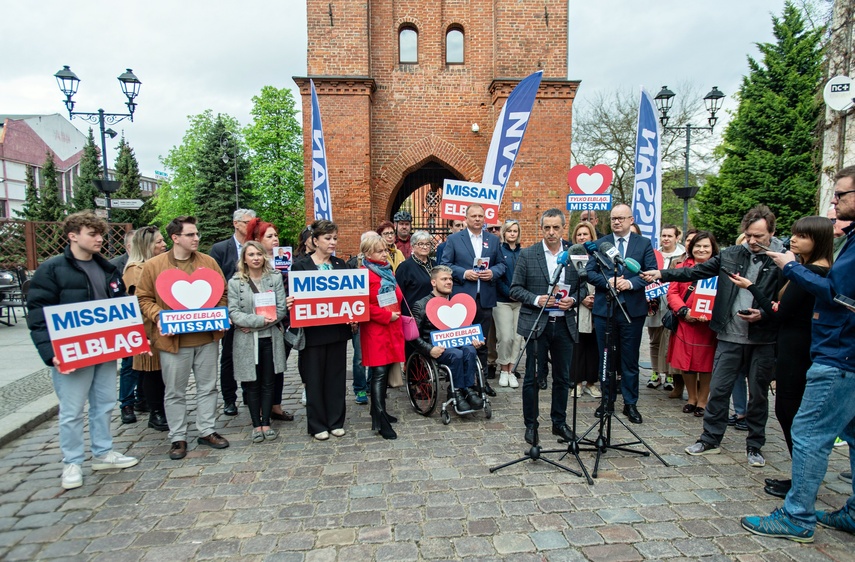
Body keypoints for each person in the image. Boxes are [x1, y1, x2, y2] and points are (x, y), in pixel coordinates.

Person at [740, 166, 855, 542]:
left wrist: (789, 266)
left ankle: (797, 516)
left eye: (840, 194)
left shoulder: (838, 254)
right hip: (842, 355)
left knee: (807, 432)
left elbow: (835, 292)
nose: (834, 202)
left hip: (838, 356)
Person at [642, 205, 785, 467]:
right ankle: (710, 439)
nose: (753, 242)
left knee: (759, 395)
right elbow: (694, 272)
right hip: (730, 335)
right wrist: (662, 273)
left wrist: (764, 315)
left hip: (763, 338)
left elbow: (785, 302)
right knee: (719, 391)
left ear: (772, 233)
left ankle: (755, 445)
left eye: (759, 237)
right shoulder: (731, 254)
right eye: (749, 235)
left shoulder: (783, 259)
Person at [28, 211, 139, 489]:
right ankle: (72, 462)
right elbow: (38, 314)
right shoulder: (52, 269)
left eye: (100, 233)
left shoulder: (107, 268)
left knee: (104, 404)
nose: (99, 238)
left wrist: (133, 341)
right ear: (73, 236)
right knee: (72, 410)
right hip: (71, 353)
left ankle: (103, 452)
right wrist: (50, 352)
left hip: (104, 350)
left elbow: (121, 309)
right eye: (93, 234)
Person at [729, 217, 832, 498]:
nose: (793, 240)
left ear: (817, 240)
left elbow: (779, 314)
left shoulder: (810, 272)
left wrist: (751, 287)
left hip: (796, 350)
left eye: (801, 236)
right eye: (794, 234)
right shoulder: (812, 270)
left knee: (789, 414)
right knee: (793, 415)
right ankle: (801, 478)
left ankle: (802, 481)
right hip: (796, 345)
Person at [136, 216, 230, 460]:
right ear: (175, 238)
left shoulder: (208, 263)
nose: (196, 238)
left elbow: (222, 293)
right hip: (172, 342)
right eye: (190, 235)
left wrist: (220, 314)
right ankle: (178, 436)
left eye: (197, 234)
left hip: (207, 338)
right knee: (175, 391)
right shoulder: (154, 266)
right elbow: (143, 298)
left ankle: (207, 430)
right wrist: (160, 316)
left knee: (208, 387)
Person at [510, 208, 583, 446]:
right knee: (532, 377)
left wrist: (574, 299)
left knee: (562, 377)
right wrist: (536, 299)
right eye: (547, 228)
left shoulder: (575, 254)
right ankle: (531, 425)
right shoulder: (528, 254)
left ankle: (559, 423)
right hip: (536, 323)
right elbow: (515, 288)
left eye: (556, 227)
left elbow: (583, 286)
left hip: (564, 323)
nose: (551, 232)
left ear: (564, 228)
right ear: (541, 229)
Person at [586, 204, 657, 424]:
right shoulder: (600, 244)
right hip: (605, 310)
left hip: (632, 310)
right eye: (614, 218)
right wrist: (608, 282)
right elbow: (589, 272)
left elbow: (651, 273)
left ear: (631, 220)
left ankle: (630, 403)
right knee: (606, 358)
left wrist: (630, 283)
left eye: (621, 218)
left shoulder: (643, 244)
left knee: (630, 359)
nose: (617, 222)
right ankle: (606, 401)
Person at [287, 220, 352, 441]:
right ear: (315, 241)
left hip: (337, 331)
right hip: (313, 333)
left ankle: (336, 421)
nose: (333, 242)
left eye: (335, 238)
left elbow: (350, 296)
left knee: (336, 377)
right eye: (328, 238)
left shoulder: (341, 265)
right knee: (314, 378)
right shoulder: (300, 266)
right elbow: (295, 298)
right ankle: (317, 424)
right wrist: (291, 303)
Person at [439, 203, 506, 397]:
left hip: (484, 298)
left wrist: (492, 272)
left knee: (482, 342)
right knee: (462, 343)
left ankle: (482, 382)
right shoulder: (454, 239)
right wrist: (463, 273)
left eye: (480, 216)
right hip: (462, 299)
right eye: (473, 216)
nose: (477, 219)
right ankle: (461, 383)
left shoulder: (492, 240)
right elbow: (445, 264)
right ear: (466, 218)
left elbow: (502, 264)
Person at [228, 241, 288, 443]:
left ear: (264, 256)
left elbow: (281, 310)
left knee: (269, 382)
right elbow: (234, 313)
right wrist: (260, 321)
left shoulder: (275, 278)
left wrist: (255, 324)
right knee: (251, 383)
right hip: (246, 340)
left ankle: (266, 422)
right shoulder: (236, 282)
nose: (255, 258)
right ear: (244, 258)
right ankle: (256, 424)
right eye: (251, 254)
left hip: (270, 338)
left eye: (259, 254)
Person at [411, 266, 485, 412]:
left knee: (470, 350)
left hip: (460, 344)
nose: (449, 282)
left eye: (450, 279)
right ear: (433, 282)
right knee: (456, 354)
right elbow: (413, 336)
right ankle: (455, 391)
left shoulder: (459, 304)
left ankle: (468, 389)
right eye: (444, 279)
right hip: (437, 349)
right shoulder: (421, 305)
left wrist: (476, 339)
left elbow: (468, 328)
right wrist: (429, 349)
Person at [665, 231, 719, 418]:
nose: (701, 249)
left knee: (705, 364)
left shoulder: (720, 269)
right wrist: (683, 311)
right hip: (686, 321)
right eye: (698, 246)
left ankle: (703, 400)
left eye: (706, 246)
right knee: (686, 364)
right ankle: (691, 398)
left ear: (713, 249)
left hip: (708, 326)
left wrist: (711, 313)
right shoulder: (681, 267)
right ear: (691, 247)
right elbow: (672, 293)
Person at [209, 208, 257, 417]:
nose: (251, 226)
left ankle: (249, 392)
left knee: (250, 354)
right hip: (229, 310)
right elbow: (214, 282)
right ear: (236, 224)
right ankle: (229, 398)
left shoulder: (255, 247)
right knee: (228, 356)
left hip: (254, 309)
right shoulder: (220, 249)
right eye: (247, 222)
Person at [245, 217, 294, 422]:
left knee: (277, 366)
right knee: (257, 368)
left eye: (276, 235)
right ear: (257, 239)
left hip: (282, 323)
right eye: (270, 236)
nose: (275, 239)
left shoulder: (284, 261)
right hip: (256, 324)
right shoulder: (247, 266)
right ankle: (257, 408)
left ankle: (276, 405)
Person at [122, 226, 169, 431]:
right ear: (146, 245)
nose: (164, 244)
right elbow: (136, 303)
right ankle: (156, 412)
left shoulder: (160, 265)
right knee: (152, 372)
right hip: (146, 328)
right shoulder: (135, 269)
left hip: (163, 326)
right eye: (158, 242)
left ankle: (161, 408)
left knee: (162, 373)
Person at [359, 234, 405, 439]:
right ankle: (379, 420)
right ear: (368, 253)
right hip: (376, 329)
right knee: (378, 373)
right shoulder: (363, 273)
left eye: (385, 250)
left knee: (384, 372)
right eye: (380, 251)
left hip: (391, 326)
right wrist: (386, 315)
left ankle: (380, 411)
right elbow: (362, 306)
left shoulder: (386, 270)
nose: (385, 254)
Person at [646, 224, 686, 396]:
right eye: (663, 235)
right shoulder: (654, 255)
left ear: (677, 237)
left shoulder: (682, 256)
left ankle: (670, 374)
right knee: (654, 340)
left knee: (670, 342)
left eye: (670, 236)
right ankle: (655, 372)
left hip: (673, 306)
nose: (666, 239)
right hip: (655, 303)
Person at [111, 229, 142, 424]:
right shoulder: (115, 266)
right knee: (129, 364)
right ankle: (127, 403)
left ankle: (143, 398)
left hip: (146, 319)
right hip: (128, 321)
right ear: (129, 246)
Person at [571, 221, 600, 398]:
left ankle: (591, 382)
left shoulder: (598, 256)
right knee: (578, 346)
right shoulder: (570, 257)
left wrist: (596, 299)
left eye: (585, 235)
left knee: (593, 347)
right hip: (578, 306)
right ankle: (577, 382)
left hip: (597, 305)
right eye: (579, 235)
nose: (582, 237)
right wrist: (581, 298)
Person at [495, 219, 523, 388]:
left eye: (515, 231)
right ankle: (503, 369)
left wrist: (519, 293)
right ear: (504, 233)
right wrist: (509, 293)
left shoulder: (523, 253)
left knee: (518, 338)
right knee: (505, 337)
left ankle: (512, 370)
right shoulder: (498, 252)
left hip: (520, 302)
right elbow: (497, 278)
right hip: (502, 301)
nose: (512, 233)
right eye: (509, 231)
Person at [395, 230, 435, 315]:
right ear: (412, 246)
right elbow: (399, 295)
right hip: (414, 314)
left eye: (427, 244)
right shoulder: (405, 267)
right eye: (421, 244)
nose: (425, 247)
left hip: (434, 311)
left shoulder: (435, 264)